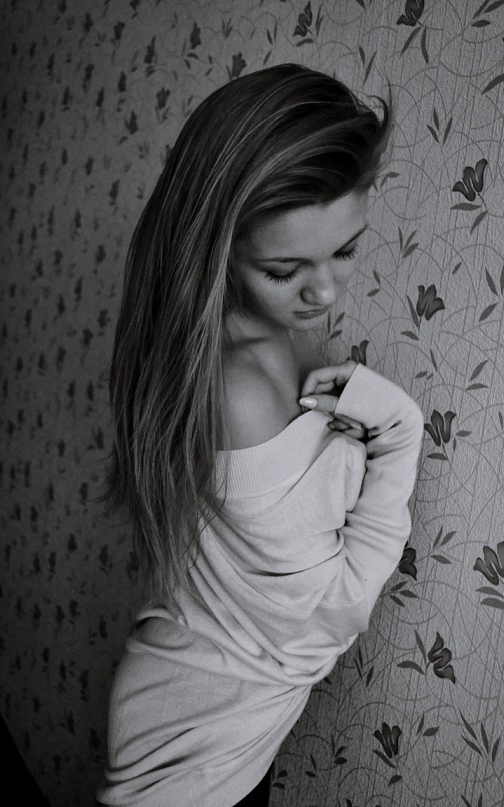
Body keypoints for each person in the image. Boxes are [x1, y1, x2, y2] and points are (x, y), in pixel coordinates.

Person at [95, 63, 425, 807]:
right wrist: (400, 434)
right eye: (284, 269)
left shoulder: (270, 329)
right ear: (217, 246)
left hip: (217, 706)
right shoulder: (237, 389)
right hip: (198, 745)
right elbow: (330, 616)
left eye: (345, 250)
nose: (325, 291)